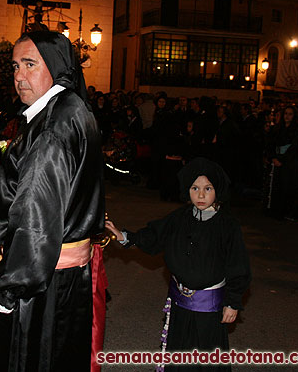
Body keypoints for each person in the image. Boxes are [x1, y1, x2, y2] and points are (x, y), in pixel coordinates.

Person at [0, 30, 105, 371]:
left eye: (29, 64)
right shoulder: (72, 107)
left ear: (55, 66)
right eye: (14, 66)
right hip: (67, 273)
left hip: (41, 280)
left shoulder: (52, 126)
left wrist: (9, 288)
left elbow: (34, 215)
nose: (18, 76)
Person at [106, 158, 251, 371]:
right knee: (179, 351)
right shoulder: (179, 218)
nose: (201, 195)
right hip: (180, 301)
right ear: (187, 190)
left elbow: (237, 264)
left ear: (217, 190)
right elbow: (155, 236)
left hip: (209, 306)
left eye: (207, 188)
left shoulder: (227, 225)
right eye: (195, 188)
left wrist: (233, 301)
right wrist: (126, 237)